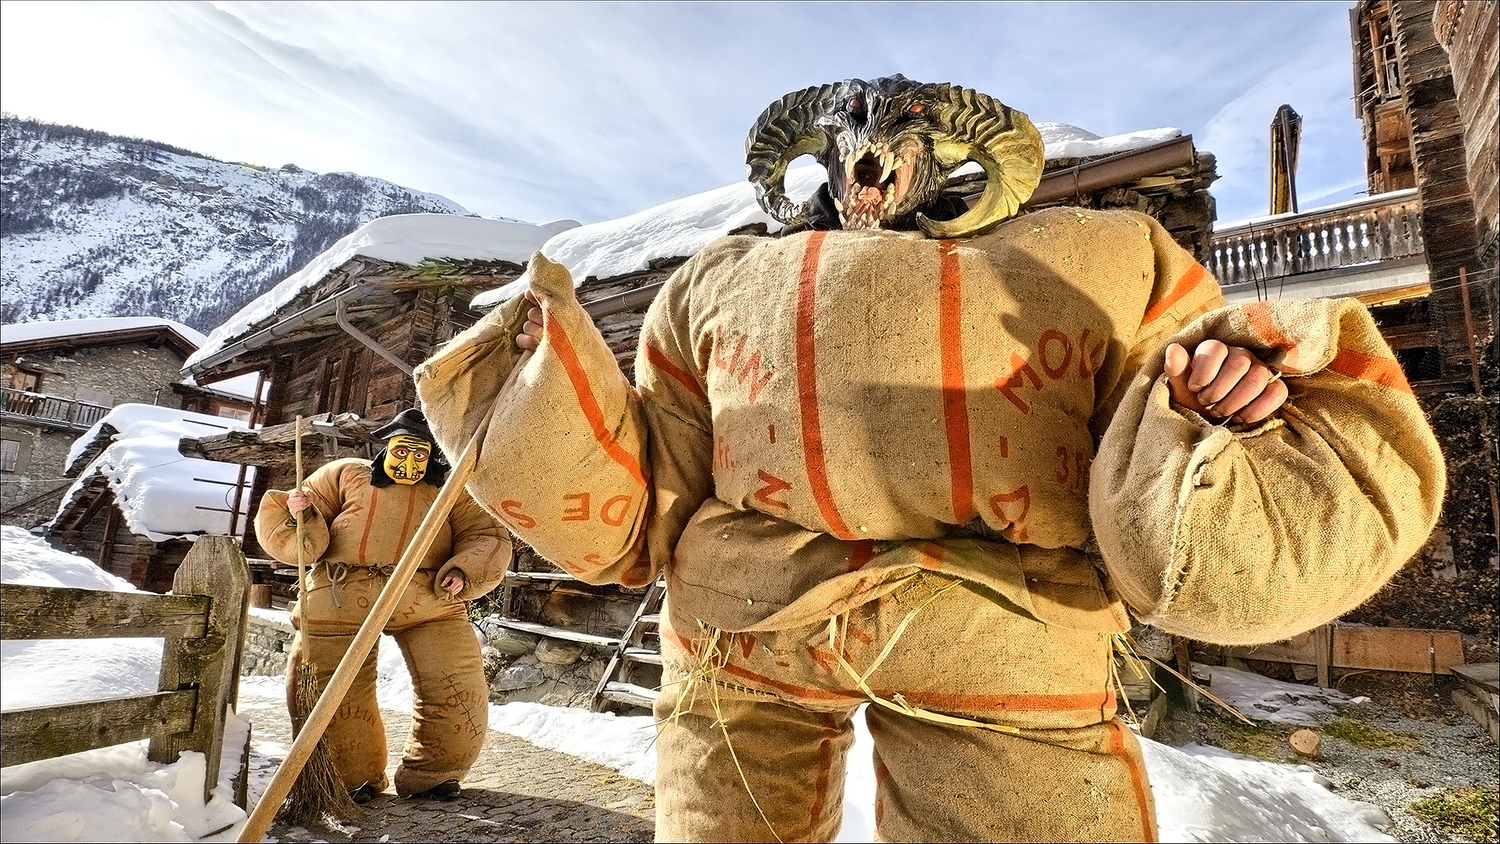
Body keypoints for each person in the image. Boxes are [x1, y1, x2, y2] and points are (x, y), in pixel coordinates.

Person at [415, 76, 1444, 841]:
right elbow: (661, 481)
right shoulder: (711, 281)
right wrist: (533, 400)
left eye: (895, 142)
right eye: (846, 144)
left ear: (945, 157)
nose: (868, 167)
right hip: (742, 625)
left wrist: (1220, 401)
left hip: (998, 624)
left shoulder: (1099, 256)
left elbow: (1154, 413)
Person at [255, 408, 511, 802]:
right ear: (386, 447)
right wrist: (299, 513)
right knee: (330, 686)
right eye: (402, 452)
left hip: (427, 596)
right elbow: (301, 528)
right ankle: (348, 776)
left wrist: (463, 569)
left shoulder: (452, 489)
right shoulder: (344, 474)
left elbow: (487, 535)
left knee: (456, 681)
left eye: (420, 456)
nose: (409, 463)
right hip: (339, 594)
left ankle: (435, 773)